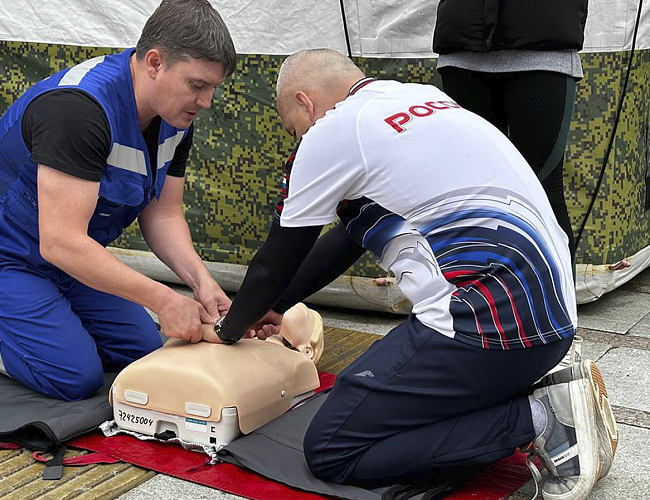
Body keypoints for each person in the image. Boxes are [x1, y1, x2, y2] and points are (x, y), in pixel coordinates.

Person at [212, 49, 616, 500]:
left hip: (486, 325)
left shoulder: (333, 131)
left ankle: (541, 420)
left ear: (305, 104)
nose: (299, 140)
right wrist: (274, 306)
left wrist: (228, 328)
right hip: (552, 323)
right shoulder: (421, 100)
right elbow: (346, 239)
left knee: (331, 447)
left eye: (294, 129)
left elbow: (275, 258)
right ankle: (534, 392)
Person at [0, 0, 234, 401]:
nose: (205, 102)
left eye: (213, 88)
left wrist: (201, 284)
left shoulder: (175, 118)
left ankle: (44, 323)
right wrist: (164, 299)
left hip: (64, 257)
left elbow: (164, 214)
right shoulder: (79, 109)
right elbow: (61, 241)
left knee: (144, 351)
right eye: (197, 85)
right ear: (154, 62)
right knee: (72, 377)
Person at [433, 0, 589, 258]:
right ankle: (481, 296)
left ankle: (559, 298)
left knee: (541, 190)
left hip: (543, 46)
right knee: (472, 192)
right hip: (463, 44)